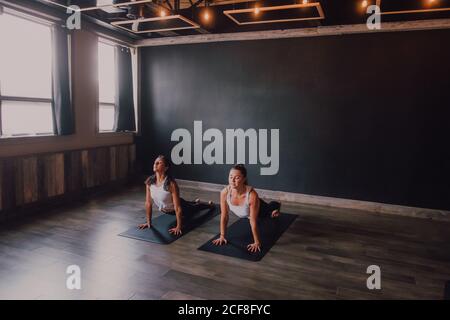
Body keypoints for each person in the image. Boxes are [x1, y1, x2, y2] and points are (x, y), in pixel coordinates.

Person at [212, 164, 281, 253]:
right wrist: (222, 236)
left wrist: (257, 242)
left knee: (269, 211)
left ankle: (276, 205)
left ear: (244, 179)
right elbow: (224, 216)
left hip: (261, 209)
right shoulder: (224, 192)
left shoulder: (252, 195)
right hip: (247, 212)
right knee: (263, 213)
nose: (232, 180)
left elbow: (253, 221)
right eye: (230, 177)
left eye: (237, 178)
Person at [138, 155, 213, 235]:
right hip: (168, 210)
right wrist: (148, 222)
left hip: (180, 208)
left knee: (195, 208)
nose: (155, 164)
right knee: (189, 203)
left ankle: (209, 206)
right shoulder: (149, 182)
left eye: (159, 163)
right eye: (155, 162)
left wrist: (178, 226)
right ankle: (195, 202)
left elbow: (177, 207)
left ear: (166, 168)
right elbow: (148, 203)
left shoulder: (171, 184)